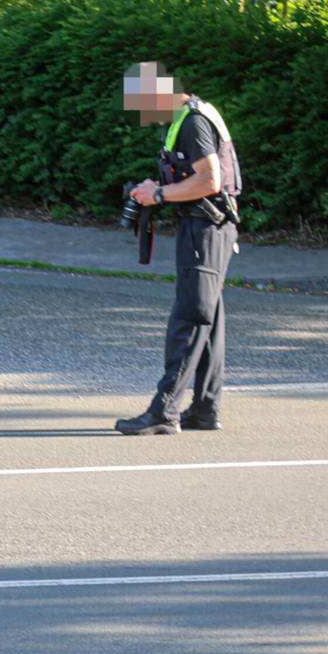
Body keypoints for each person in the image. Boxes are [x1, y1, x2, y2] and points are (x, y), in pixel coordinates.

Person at [115, 62, 244, 436]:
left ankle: (163, 411)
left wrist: (157, 194)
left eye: (141, 102)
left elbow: (209, 179)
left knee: (189, 317)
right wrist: (160, 186)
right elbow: (196, 176)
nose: (141, 113)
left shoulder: (192, 122)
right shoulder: (187, 117)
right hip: (209, 228)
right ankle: (205, 409)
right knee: (209, 317)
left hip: (206, 229)